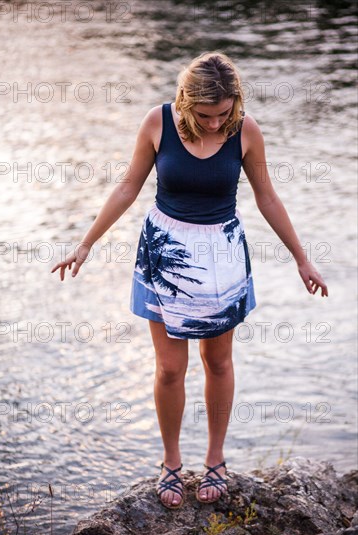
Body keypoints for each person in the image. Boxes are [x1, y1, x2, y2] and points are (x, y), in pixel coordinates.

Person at [51, 51, 328, 510]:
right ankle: (171, 462)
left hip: (221, 255)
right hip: (163, 254)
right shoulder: (158, 123)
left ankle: (216, 459)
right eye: (206, 115)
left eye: (224, 113)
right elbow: (127, 187)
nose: (216, 123)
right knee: (169, 368)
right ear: (185, 101)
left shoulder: (246, 130)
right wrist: (85, 244)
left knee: (217, 363)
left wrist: (303, 259)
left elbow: (267, 198)